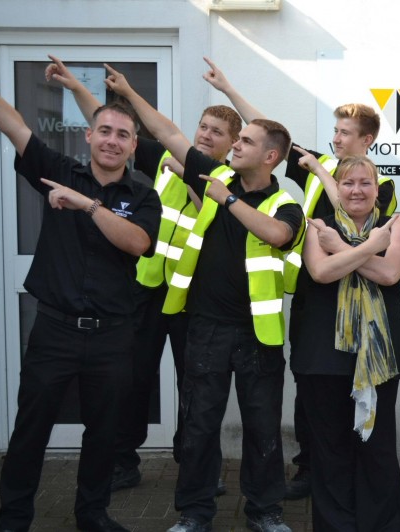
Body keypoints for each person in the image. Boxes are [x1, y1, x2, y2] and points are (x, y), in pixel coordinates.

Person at [105, 65, 304, 532]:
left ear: (271, 156)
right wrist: (129, 92)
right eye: (236, 140)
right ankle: (194, 514)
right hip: (207, 328)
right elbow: (168, 132)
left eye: (246, 141)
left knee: (262, 432)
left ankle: (265, 512)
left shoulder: (284, 204)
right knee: (198, 429)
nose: (235, 145)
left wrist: (229, 201)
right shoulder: (215, 175)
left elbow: (277, 235)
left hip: (258, 337)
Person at [201, 57, 397, 500]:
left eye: (345, 133)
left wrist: (322, 170)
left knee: (350, 389)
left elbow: (351, 207)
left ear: (366, 140)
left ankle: (349, 471)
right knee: (309, 386)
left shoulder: (377, 182)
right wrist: (229, 88)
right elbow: (270, 134)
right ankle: (310, 468)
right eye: (335, 130)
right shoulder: (315, 162)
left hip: (357, 298)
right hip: (313, 290)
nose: (335, 137)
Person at [44, 55, 242, 495]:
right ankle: (123, 462)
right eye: (203, 127)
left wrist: (187, 173)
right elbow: (109, 123)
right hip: (146, 292)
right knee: (130, 379)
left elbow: (210, 210)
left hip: (194, 300)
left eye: (217, 133)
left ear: (232, 146)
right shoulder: (158, 158)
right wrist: (76, 86)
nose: (206, 135)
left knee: (196, 388)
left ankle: (197, 467)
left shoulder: (230, 178)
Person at [0, 93, 161, 532]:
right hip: (55, 330)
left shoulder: (144, 197)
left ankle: (92, 514)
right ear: (88, 136)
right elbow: (13, 125)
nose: (112, 140)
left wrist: (87, 205)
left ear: (132, 145)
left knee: (103, 433)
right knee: (31, 429)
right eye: (104, 131)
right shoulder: (60, 172)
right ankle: (12, 517)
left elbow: (138, 244)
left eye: (122, 135)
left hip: (112, 336)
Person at [291, 154, 400, 530]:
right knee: (330, 452)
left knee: (376, 451)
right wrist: (366, 249)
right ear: (337, 189)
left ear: (377, 188)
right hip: (322, 357)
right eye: (348, 183)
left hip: (377, 359)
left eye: (365, 183)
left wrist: (342, 249)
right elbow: (321, 272)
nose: (357, 190)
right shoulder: (317, 226)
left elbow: (390, 273)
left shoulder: (394, 226)